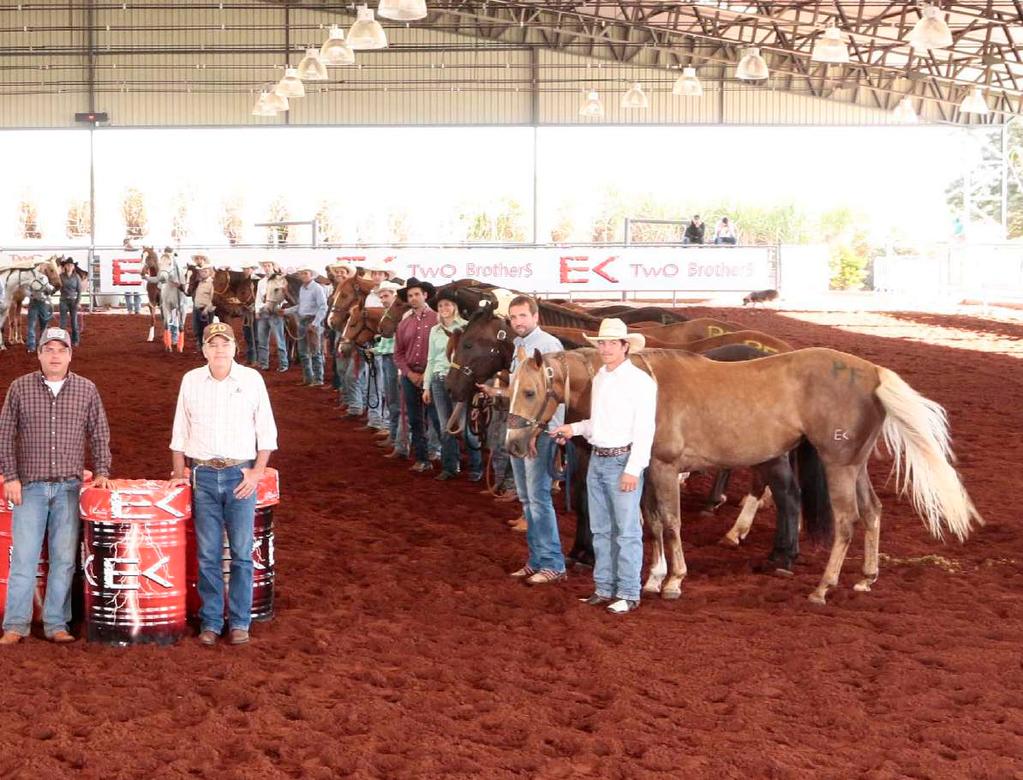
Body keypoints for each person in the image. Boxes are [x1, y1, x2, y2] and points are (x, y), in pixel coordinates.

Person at [0, 327, 112, 645]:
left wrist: (102, 470)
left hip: (69, 487)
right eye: (48, 349)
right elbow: (5, 433)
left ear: (69, 355)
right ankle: (15, 624)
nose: (55, 355)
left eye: (60, 350)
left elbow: (99, 432)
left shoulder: (86, 390)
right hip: (30, 486)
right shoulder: (20, 388)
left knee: (64, 560)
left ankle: (56, 623)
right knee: (24, 558)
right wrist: (10, 476)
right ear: (39, 354)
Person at [169, 322, 278, 647]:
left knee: (242, 554)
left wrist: (257, 471)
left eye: (224, 343)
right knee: (208, 554)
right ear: (204, 349)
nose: (219, 349)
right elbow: (180, 429)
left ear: (234, 347)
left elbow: (266, 429)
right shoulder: (191, 380)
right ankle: (212, 621)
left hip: (239, 475)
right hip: (202, 474)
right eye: (212, 344)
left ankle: (240, 622)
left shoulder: (251, 379)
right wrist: (179, 471)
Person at [551, 318, 657, 615]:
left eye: (612, 343)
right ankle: (604, 587)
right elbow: (596, 423)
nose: (606, 348)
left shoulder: (641, 383)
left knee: (625, 531)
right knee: (601, 529)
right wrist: (573, 428)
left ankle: (628, 591)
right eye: (602, 343)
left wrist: (633, 469)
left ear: (625, 346)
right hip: (598, 458)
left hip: (622, 460)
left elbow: (645, 430)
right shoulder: (601, 377)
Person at [479, 295, 567, 585]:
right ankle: (536, 560)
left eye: (522, 316)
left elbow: (554, 398)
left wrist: (546, 431)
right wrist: (498, 394)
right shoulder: (520, 346)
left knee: (538, 499)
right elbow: (523, 395)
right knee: (529, 500)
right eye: (513, 317)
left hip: (536, 433)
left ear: (535, 316)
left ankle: (552, 562)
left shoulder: (549, 347)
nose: (517, 321)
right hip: (519, 428)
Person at [422, 288, 482, 482]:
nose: (444, 308)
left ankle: (476, 466)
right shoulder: (435, 330)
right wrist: (426, 386)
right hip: (439, 379)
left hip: (460, 381)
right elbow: (431, 359)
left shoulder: (466, 328)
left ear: (455, 307)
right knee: (444, 425)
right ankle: (450, 466)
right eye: (440, 305)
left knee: (465, 427)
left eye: (447, 304)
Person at [393, 278, 438, 473]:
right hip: (410, 375)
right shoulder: (404, 323)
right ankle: (422, 458)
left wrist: (424, 374)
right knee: (415, 419)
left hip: (433, 375)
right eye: (410, 295)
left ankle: (439, 454)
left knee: (437, 419)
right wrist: (409, 373)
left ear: (425, 295)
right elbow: (398, 353)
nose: (413, 298)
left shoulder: (437, 319)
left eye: (417, 294)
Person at [286, 266, 327, 387]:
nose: (303, 275)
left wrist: (315, 323)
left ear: (311, 274)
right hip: (303, 321)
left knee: (315, 351)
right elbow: (300, 306)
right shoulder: (302, 289)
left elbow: (323, 307)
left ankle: (318, 379)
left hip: (312, 321)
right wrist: (286, 311)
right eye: (301, 274)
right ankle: (308, 378)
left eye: (305, 273)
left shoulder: (317, 288)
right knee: (303, 352)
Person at [254, 260, 289, 373]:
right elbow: (258, 298)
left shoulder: (280, 280)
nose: (266, 267)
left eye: (268, 265)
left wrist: (280, 306)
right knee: (262, 340)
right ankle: (264, 363)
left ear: (273, 266)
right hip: (264, 311)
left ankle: (283, 363)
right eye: (264, 266)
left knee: (279, 340)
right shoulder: (261, 282)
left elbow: (284, 296)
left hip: (275, 312)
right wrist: (257, 310)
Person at [24, 264, 55, 353]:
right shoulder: (43, 278)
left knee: (34, 325)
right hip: (40, 303)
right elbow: (50, 289)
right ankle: (40, 344)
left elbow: (26, 291)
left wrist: (32, 294)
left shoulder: (31, 279)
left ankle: (33, 346)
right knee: (42, 324)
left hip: (36, 303)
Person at [58, 258, 83, 347]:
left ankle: (75, 340)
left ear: (73, 267)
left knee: (74, 322)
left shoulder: (76, 277)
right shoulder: (60, 276)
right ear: (65, 266)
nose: (69, 267)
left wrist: (78, 302)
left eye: (71, 265)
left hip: (73, 301)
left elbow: (79, 291)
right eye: (68, 265)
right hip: (63, 300)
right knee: (62, 323)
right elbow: (56, 287)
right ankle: (62, 340)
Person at [239, 262, 260, 365]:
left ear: (252, 269)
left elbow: (259, 297)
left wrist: (254, 305)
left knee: (255, 336)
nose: (245, 271)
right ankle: (250, 357)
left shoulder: (257, 281)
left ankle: (256, 358)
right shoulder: (244, 282)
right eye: (244, 269)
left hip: (255, 312)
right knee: (248, 335)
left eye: (247, 269)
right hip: (246, 311)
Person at [192, 265, 216, 351]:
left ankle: (208, 347)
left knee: (207, 329)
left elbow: (213, 298)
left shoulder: (212, 283)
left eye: (205, 271)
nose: (203, 273)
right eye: (201, 271)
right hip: (197, 308)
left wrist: (206, 309)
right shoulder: (199, 282)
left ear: (209, 272)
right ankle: (201, 345)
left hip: (206, 310)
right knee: (197, 328)